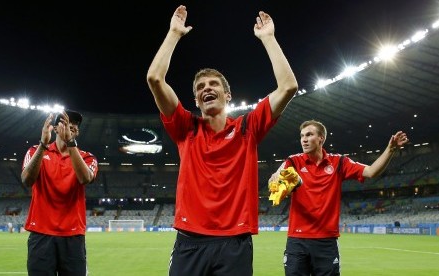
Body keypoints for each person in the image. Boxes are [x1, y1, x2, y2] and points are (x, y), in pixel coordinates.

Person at [146, 5, 298, 276]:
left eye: (213, 84)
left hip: (234, 243)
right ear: (195, 101)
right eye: (201, 88)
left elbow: (288, 87)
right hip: (190, 241)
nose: (207, 88)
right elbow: (155, 78)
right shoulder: (185, 128)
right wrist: (173, 34)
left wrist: (268, 38)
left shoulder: (247, 128)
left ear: (228, 95)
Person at [268, 120, 409, 276]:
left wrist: (390, 149)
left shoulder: (339, 162)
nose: (304, 139)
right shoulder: (293, 161)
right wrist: (276, 180)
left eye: (309, 135)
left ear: (321, 138)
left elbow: (371, 172)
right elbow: (274, 180)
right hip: (297, 240)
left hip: (326, 242)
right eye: (302, 136)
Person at [21, 110, 98, 276]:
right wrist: (43, 144)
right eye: (67, 124)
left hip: (73, 236)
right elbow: (26, 180)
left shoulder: (87, 158)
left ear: (77, 132)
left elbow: (85, 178)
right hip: (41, 234)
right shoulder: (35, 151)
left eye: (75, 127)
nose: (72, 128)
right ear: (55, 128)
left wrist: (71, 144)